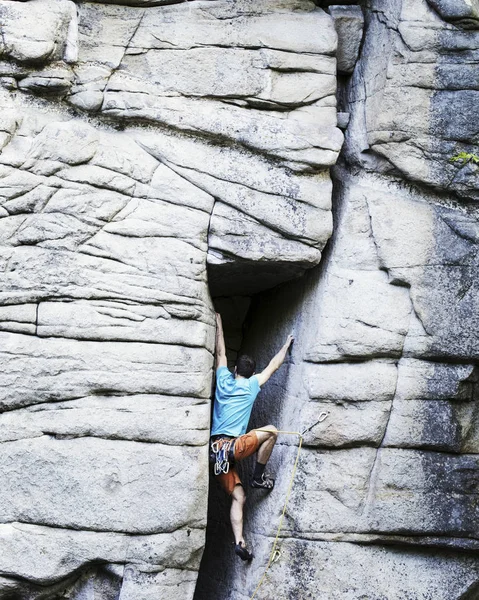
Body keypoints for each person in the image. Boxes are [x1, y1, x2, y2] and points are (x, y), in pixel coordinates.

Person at [210, 312, 294, 562]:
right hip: (233, 447)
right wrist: (286, 345)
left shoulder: (224, 379)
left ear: (235, 370)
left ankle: (239, 543)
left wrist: (218, 323)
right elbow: (274, 365)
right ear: (251, 372)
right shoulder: (252, 385)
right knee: (272, 432)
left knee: (239, 496)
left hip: (216, 453)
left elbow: (220, 354)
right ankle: (258, 476)